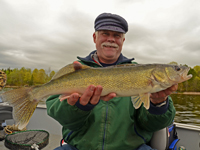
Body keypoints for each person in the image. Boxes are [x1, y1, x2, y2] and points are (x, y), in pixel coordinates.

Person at [46, 13, 177, 150]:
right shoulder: (77, 69)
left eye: (117, 35)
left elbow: (152, 126)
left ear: (123, 40)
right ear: (94, 37)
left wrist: (158, 105)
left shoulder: (141, 73)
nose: (111, 39)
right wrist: (79, 107)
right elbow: (61, 115)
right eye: (105, 33)